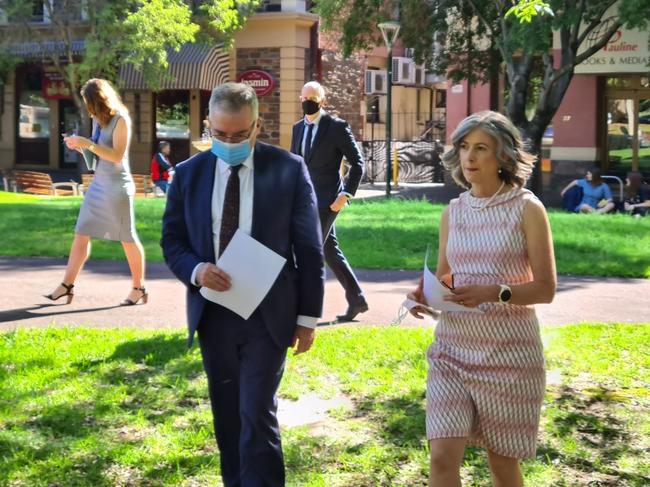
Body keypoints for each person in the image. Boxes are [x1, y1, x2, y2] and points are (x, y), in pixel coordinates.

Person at [161, 83, 324, 487]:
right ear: (208, 126)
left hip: (268, 315)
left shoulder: (288, 169)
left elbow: (309, 248)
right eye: (220, 134)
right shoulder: (188, 175)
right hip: (214, 314)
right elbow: (173, 241)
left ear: (257, 126)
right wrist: (197, 270)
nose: (229, 142)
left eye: (239, 134)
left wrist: (307, 318)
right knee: (228, 416)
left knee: (256, 412)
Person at [407, 111, 556, 487]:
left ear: (503, 156)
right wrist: (425, 295)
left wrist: (496, 292)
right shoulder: (452, 212)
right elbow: (445, 278)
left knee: (502, 466)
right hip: (452, 353)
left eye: (481, 148)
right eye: (463, 147)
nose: (469, 157)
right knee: (441, 459)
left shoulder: (527, 208)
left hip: (509, 358)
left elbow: (546, 288)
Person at [45, 78, 147, 306]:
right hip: (98, 185)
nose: (87, 108)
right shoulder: (97, 120)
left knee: (127, 237)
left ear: (99, 100)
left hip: (117, 187)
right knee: (81, 232)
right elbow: (95, 159)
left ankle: (138, 287)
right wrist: (79, 146)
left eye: (88, 102)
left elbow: (116, 156)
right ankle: (66, 285)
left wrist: (87, 143)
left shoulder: (121, 120)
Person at [290, 80, 368, 321]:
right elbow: (296, 164)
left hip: (328, 202)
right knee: (328, 250)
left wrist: (345, 195)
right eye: (304, 98)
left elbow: (357, 164)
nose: (307, 102)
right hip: (304, 201)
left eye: (313, 98)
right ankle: (357, 300)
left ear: (322, 101)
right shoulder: (297, 128)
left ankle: (299, 310)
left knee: (307, 252)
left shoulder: (336, 127)